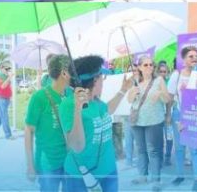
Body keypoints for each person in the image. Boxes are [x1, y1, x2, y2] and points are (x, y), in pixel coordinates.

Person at [59, 54, 133, 192]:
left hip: (108, 170)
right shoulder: (68, 105)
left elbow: (108, 110)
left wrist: (124, 89)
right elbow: (76, 146)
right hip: (81, 177)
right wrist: (77, 110)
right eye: (102, 77)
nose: (103, 80)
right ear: (94, 80)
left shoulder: (96, 101)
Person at [25, 54, 73, 192]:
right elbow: (29, 130)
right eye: (71, 70)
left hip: (70, 161)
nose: (74, 75)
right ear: (64, 73)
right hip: (48, 164)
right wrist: (30, 165)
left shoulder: (72, 94)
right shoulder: (39, 97)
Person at [167, 45, 197, 189]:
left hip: (195, 114)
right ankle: (180, 175)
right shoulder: (176, 75)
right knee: (180, 148)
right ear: (184, 59)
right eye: (191, 56)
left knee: (195, 148)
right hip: (179, 113)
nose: (194, 59)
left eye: (196, 56)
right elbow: (170, 96)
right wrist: (168, 115)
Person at [126, 54, 172, 189]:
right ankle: (142, 175)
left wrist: (159, 94)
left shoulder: (159, 80)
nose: (149, 67)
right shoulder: (135, 82)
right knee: (141, 150)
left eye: (151, 64)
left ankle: (156, 180)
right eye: (145, 65)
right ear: (139, 67)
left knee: (154, 151)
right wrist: (132, 93)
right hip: (137, 121)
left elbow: (167, 99)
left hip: (153, 120)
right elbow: (129, 100)